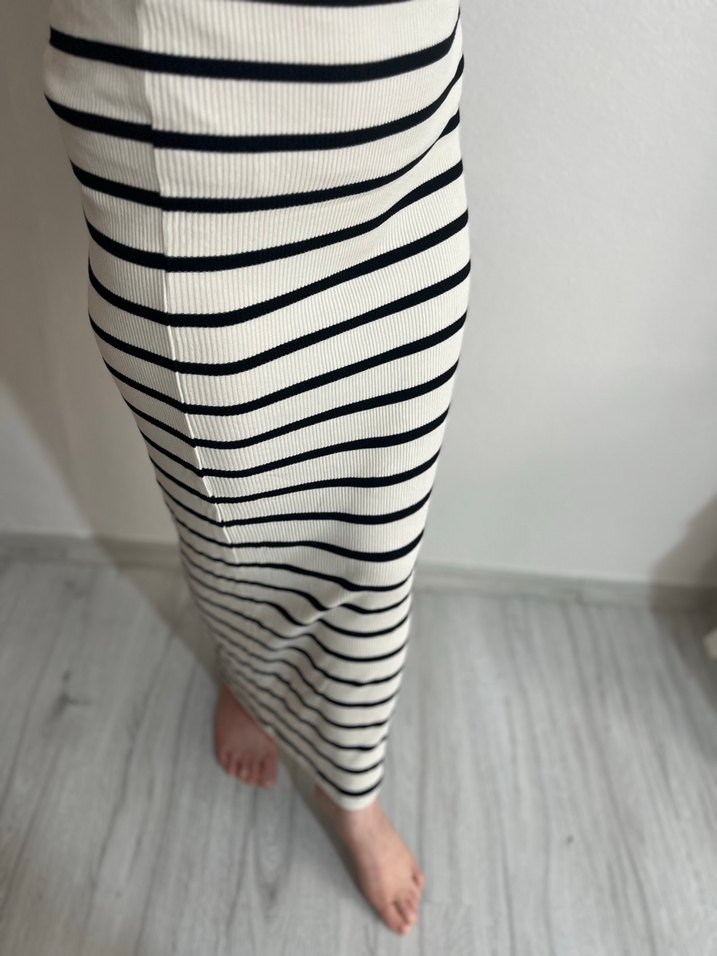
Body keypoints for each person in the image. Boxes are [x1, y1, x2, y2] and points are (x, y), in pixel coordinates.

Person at [41, 0, 471, 936]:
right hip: (191, 157)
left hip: (401, 159)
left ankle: (350, 787)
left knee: (375, 542)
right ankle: (251, 668)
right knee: (236, 532)